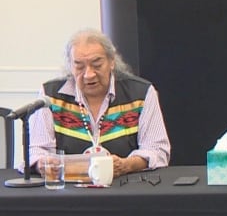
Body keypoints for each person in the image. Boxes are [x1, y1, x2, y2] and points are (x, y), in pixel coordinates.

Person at [24, 28, 171, 176]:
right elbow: (36, 151)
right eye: (79, 66)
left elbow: (157, 150)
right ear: (70, 66)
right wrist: (42, 163)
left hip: (125, 190)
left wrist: (127, 165)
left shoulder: (141, 93)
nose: (89, 75)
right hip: (67, 192)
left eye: (97, 65)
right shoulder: (50, 97)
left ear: (112, 61)